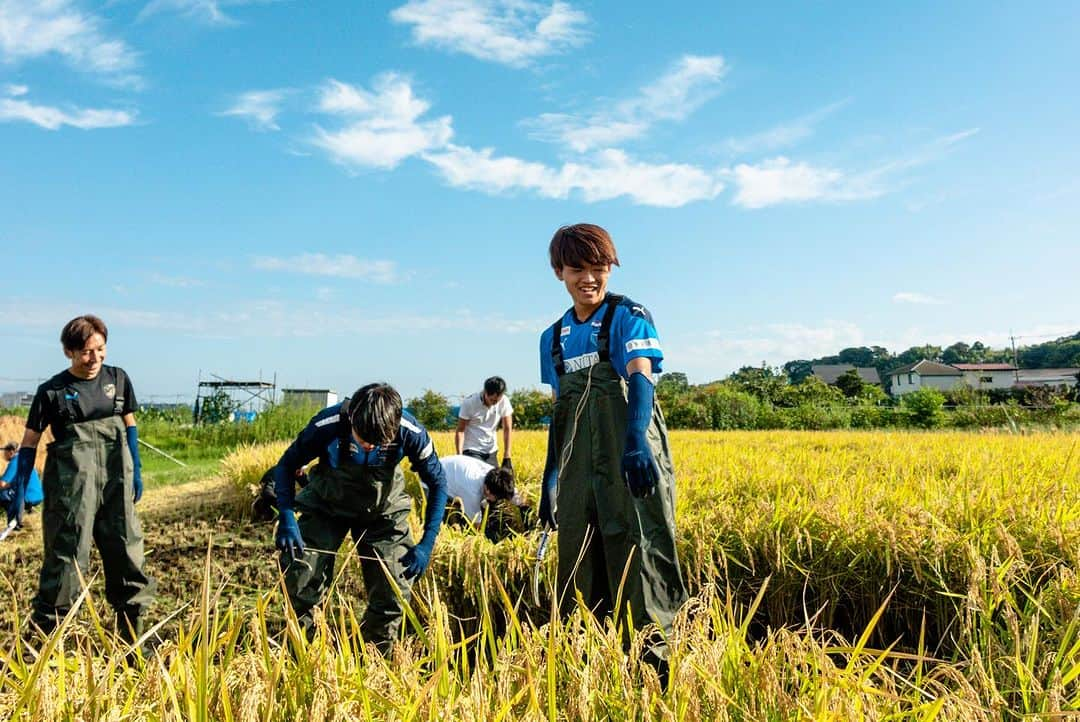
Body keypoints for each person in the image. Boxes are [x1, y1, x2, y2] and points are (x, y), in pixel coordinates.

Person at [537, 224, 687, 667]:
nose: (589, 278)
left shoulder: (627, 314)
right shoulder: (553, 338)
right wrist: (550, 477)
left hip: (628, 452)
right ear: (558, 271)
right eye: (577, 269)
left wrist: (637, 440)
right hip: (578, 461)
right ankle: (589, 668)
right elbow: (559, 413)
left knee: (640, 549)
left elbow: (640, 376)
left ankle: (655, 664)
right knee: (579, 557)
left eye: (599, 267)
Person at [6, 315, 155, 643]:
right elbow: (29, 443)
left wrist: (137, 469)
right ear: (68, 352)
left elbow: (129, 424)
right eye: (86, 352)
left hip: (117, 476)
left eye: (100, 349)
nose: (95, 359)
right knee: (67, 557)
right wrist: (18, 489)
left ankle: (133, 644)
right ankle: (47, 650)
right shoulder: (52, 392)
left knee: (127, 552)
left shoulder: (118, 379)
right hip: (73, 486)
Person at [272, 382, 448, 652]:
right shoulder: (326, 425)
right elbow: (286, 466)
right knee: (301, 574)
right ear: (352, 417)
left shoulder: (411, 432)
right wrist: (286, 515)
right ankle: (305, 656)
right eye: (362, 439)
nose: (367, 447)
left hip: (383, 511)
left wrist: (427, 543)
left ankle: (374, 658)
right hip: (327, 505)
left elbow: (438, 484)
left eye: (376, 443)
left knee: (394, 590)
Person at [440, 455, 532, 541]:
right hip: (432, 480)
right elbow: (477, 527)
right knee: (450, 522)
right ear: (487, 491)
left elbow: (515, 496)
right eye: (497, 497)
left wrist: (527, 520)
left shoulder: (496, 476)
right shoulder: (472, 493)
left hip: (454, 470)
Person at [455, 376, 514, 470]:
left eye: (497, 400)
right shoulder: (470, 403)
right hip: (472, 449)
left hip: (491, 450)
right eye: (492, 400)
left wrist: (507, 454)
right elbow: (460, 430)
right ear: (485, 392)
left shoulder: (504, 401)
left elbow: (507, 428)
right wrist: (459, 456)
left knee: (493, 482)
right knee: (476, 480)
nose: (494, 403)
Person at [1, 441, 43, 516]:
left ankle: (14, 515)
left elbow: (2, 484)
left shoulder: (15, 461)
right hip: (37, 496)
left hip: (28, 497)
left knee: (2, 493)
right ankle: (28, 510)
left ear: (11, 452)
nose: (3, 454)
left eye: (5, 451)